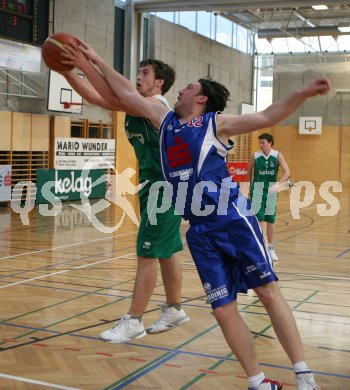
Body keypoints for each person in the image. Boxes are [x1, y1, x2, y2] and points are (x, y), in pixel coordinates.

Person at [61, 40, 329, 390]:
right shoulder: (164, 119)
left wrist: (302, 94)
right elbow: (122, 93)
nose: (183, 88)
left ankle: (304, 374)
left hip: (231, 216)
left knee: (267, 291)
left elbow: (267, 116)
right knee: (222, 308)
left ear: (200, 99)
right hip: (200, 230)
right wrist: (92, 58)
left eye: (189, 87)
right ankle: (258, 381)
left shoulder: (215, 124)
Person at [61, 52, 189, 343]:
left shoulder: (156, 105)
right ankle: (175, 308)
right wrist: (67, 71)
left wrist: (90, 60)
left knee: (146, 253)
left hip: (165, 187)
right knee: (166, 252)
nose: (139, 76)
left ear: (160, 82)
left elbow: (115, 91)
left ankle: (134, 321)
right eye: (139, 71)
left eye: (145, 73)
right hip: (154, 186)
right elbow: (100, 97)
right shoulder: (137, 106)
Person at [248, 133, 291, 263]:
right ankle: (261, 248)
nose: (261, 145)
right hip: (258, 190)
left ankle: (271, 248)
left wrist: (278, 184)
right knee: (259, 219)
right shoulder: (255, 156)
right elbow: (249, 171)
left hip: (271, 190)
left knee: (270, 220)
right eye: (260, 143)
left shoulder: (277, 155)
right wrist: (250, 186)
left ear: (270, 143)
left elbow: (287, 172)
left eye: (263, 143)